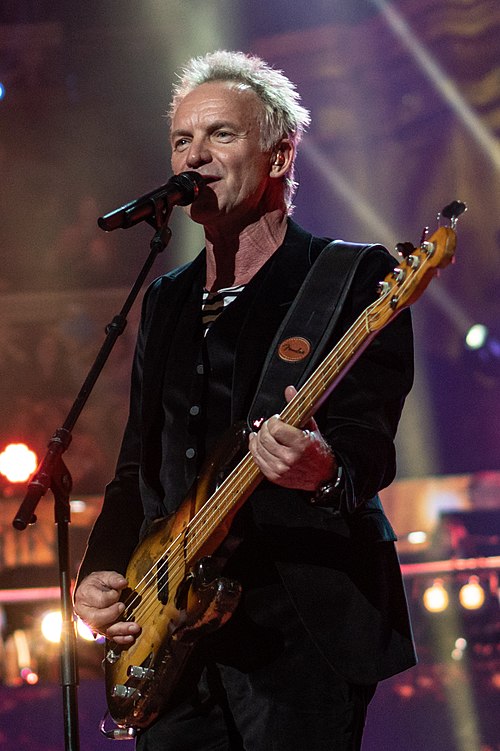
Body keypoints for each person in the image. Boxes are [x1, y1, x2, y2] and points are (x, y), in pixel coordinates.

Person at [74, 50, 416, 750]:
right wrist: (101, 572)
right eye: (181, 140)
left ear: (279, 156)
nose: (193, 155)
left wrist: (323, 466)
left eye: (220, 135)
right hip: (173, 635)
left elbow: (368, 439)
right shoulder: (166, 297)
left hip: (298, 629)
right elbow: (138, 469)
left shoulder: (349, 276)